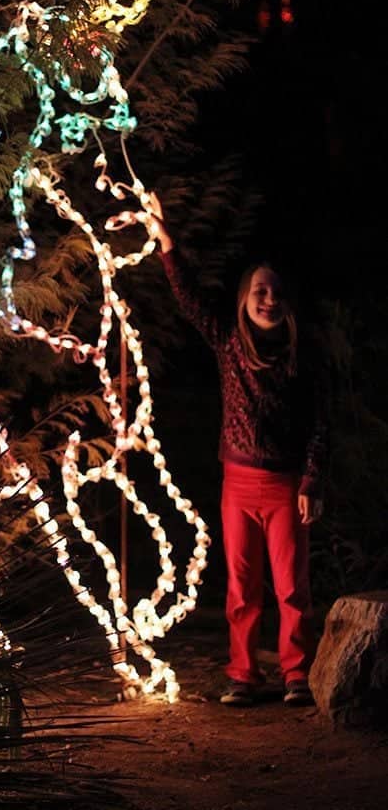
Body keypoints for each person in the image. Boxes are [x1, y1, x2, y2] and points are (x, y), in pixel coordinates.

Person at [149, 192, 327, 707]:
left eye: (275, 292)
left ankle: (296, 673)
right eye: (258, 292)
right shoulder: (230, 343)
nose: (267, 299)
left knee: (292, 587)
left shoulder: (303, 358)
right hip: (238, 484)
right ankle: (243, 675)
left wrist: (313, 480)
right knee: (241, 588)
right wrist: (167, 243)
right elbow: (188, 299)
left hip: (286, 486)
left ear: (287, 300)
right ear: (245, 299)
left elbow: (322, 424)